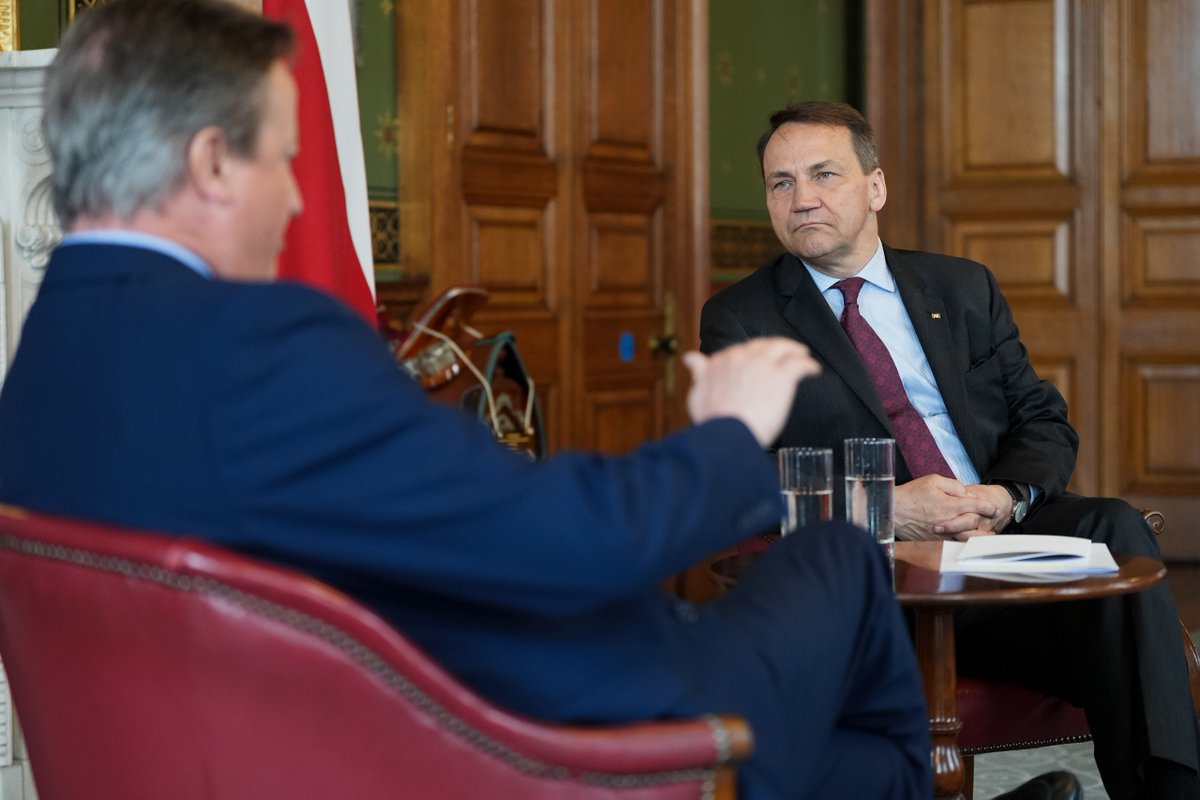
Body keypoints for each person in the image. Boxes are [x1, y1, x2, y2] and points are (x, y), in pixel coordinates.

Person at [0, 3, 942, 798]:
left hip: (363, 712)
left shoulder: (42, 360)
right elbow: (571, 548)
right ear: (210, 163)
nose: (296, 201)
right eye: (286, 160)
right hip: (535, 723)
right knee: (843, 563)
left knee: (837, 742)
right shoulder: (262, 345)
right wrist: (732, 431)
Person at [700, 99, 1200, 799]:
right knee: (1126, 635)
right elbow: (743, 478)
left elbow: (1042, 421)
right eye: (780, 182)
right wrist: (889, 509)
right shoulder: (740, 317)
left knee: (1114, 526)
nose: (802, 198)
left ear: (876, 187)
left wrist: (1002, 497)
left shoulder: (961, 287)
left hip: (1002, 553)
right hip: (889, 581)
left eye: (823, 175)